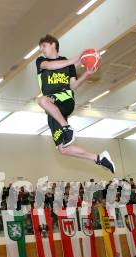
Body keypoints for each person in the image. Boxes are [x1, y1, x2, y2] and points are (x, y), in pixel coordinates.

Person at [36, 34, 115, 174]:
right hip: (53, 107)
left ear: (53, 44)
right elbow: (50, 66)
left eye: (44, 46)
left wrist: (86, 74)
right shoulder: (41, 61)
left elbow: (73, 85)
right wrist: (75, 60)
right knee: (63, 149)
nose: (42, 50)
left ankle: (67, 128)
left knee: (41, 100)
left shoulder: (68, 64)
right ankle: (99, 158)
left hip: (65, 99)